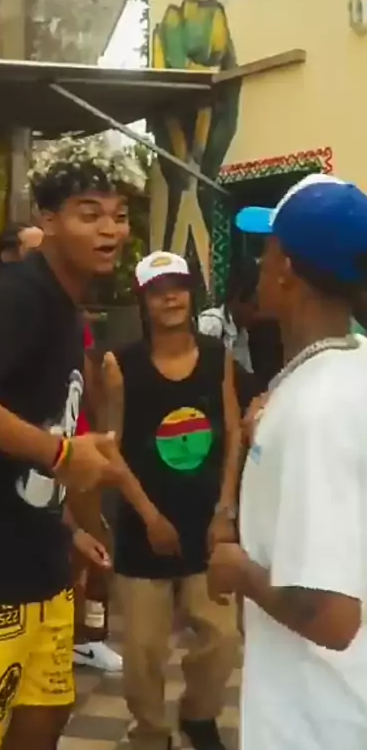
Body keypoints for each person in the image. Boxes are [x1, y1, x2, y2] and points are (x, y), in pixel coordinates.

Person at [0, 149, 156, 750]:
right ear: (48, 220)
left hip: (41, 572)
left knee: (44, 721)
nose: (109, 230)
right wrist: (60, 456)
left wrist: (68, 525)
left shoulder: (66, 304)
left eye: (118, 215)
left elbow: (40, 425)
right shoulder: (21, 295)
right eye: (88, 214)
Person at [208, 173, 367, 750]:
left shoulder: (316, 411)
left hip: (316, 722)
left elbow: (333, 617)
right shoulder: (347, 366)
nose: (258, 262)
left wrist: (240, 571)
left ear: (288, 270)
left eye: (268, 248)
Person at [102, 251, 242, 750]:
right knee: (143, 650)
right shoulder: (120, 365)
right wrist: (149, 516)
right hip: (144, 530)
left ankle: (199, 717)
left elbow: (232, 433)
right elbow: (110, 450)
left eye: (178, 288)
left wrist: (225, 510)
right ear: (143, 301)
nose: (170, 299)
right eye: (158, 291)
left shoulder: (217, 357)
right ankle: (151, 733)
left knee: (223, 638)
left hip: (207, 526)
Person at [70, 319, 123, 673]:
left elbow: (89, 384)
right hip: (59, 448)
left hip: (77, 445)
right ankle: (81, 638)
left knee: (95, 544)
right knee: (87, 546)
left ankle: (86, 636)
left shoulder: (75, 322)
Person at [198, 263, 259, 372]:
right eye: (254, 307)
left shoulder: (242, 335)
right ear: (237, 300)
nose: (255, 314)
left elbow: (247, 373)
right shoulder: (212, 323)